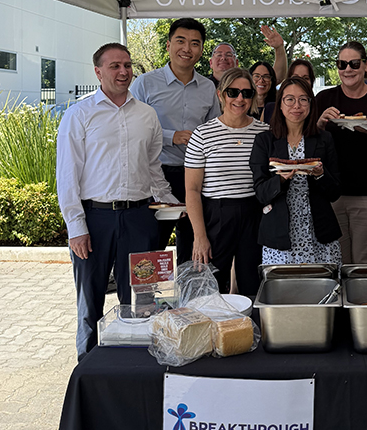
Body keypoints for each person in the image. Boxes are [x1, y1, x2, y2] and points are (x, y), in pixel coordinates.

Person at [56, 42, 179, 360]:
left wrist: (171, 202)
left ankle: (139, 365)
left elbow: (152, 167)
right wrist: (76, 227)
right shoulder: (79, 114)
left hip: (140, 217)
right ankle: (88, 366)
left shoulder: (147, 115)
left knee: (143, 299)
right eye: (115, 66)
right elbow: (67, 175)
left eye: (127, 65)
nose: (123, 71)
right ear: (98, 72)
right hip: (94, 219)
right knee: (90, 301)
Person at [130, 18, 218, 263]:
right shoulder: (145, 84)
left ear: (201, 50)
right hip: (155, 176)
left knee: (193, 245)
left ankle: (189, 287)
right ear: (168, 45)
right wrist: (171, 136)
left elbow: (213, 129)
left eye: (194, 43)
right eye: (181, 41)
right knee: (150, 245)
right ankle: (148, 290)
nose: (187, 49)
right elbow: (131, 129)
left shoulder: (208, 88)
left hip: (195, 176)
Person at [184, 67, 269, 295]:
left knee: (253, 284)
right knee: (211, 285)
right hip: (217, 215)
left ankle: (253, 320)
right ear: (220, 94)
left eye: (246, 93)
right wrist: (200, 236)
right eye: (233, 92)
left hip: (254, 214)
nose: (240, 99)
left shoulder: (265, 133)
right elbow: (192, 190)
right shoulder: (202, 134)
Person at [314, 41, 367, 264]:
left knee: (364, 266)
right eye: (342, 64)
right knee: (335, 263)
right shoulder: (324, 99)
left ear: (366, 65)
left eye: (354, 63)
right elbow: (308, 147)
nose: (348, 69)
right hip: (332, 196)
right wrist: (319, 125)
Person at [250, 76, 342, 266]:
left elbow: (335, 193)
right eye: (290, 99)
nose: (297, 106)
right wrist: (280, 180)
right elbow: (260, 193)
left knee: (323, 283)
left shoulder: (324, 139)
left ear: (310, 104)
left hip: (319, 232)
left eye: (303, 99)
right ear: (280, 104)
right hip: (280, 234)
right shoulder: (264, 141)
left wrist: (320, 175)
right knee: (282, 284)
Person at [209, 26, 288, 85]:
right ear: (211, 63)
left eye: (229, 55)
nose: (223, 58)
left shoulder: (247, 83)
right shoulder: (203, 86)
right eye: (219, 55)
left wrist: (279, 48)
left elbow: (276, 78)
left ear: (237, 63)